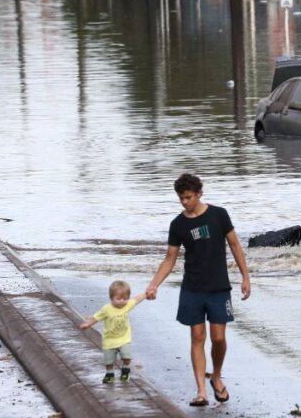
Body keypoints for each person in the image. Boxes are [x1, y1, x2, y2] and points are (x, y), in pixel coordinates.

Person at [146, 173, 251, 408]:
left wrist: (245, 276)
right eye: (181, 198)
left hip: (218, 288)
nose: (184, 202)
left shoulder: (219, 215)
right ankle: (201, 391)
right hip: (192, 288)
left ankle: (216, 375)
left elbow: (235, 245)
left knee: (218, 338)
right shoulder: (178, 224)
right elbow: (169, 259)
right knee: (197, 336)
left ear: (199, 194)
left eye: (188, 197)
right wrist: (154, 284)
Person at [79, 280, 146, 384]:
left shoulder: (127, 305)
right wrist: (88, 324)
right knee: (108, 360)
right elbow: (97, 317)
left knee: (126, 355)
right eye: (118, 298)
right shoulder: (107, 309)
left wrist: (147, 293)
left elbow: (136, 299)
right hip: (109, 339)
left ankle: (125, 369)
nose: (122, 301)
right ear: (111, 298)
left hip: (124, 338)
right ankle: (110, 373)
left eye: (125, 298)